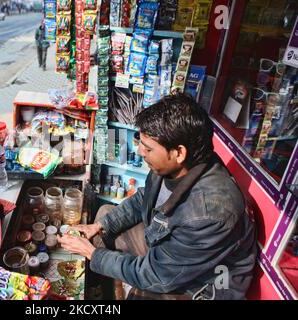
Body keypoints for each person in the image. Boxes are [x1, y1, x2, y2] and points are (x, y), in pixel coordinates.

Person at [57, 94, 258, 300]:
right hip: (169, 251)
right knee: (105, 218)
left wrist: (93, 254)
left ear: (178, 152)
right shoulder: (172, 166)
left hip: (201, 285)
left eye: (148, 148)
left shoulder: (209, 212)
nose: (140, 151)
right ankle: (107, 292)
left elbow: (157, 276)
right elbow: (143, 199)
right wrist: (98, 226)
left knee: (141, 291)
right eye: (140, 142)